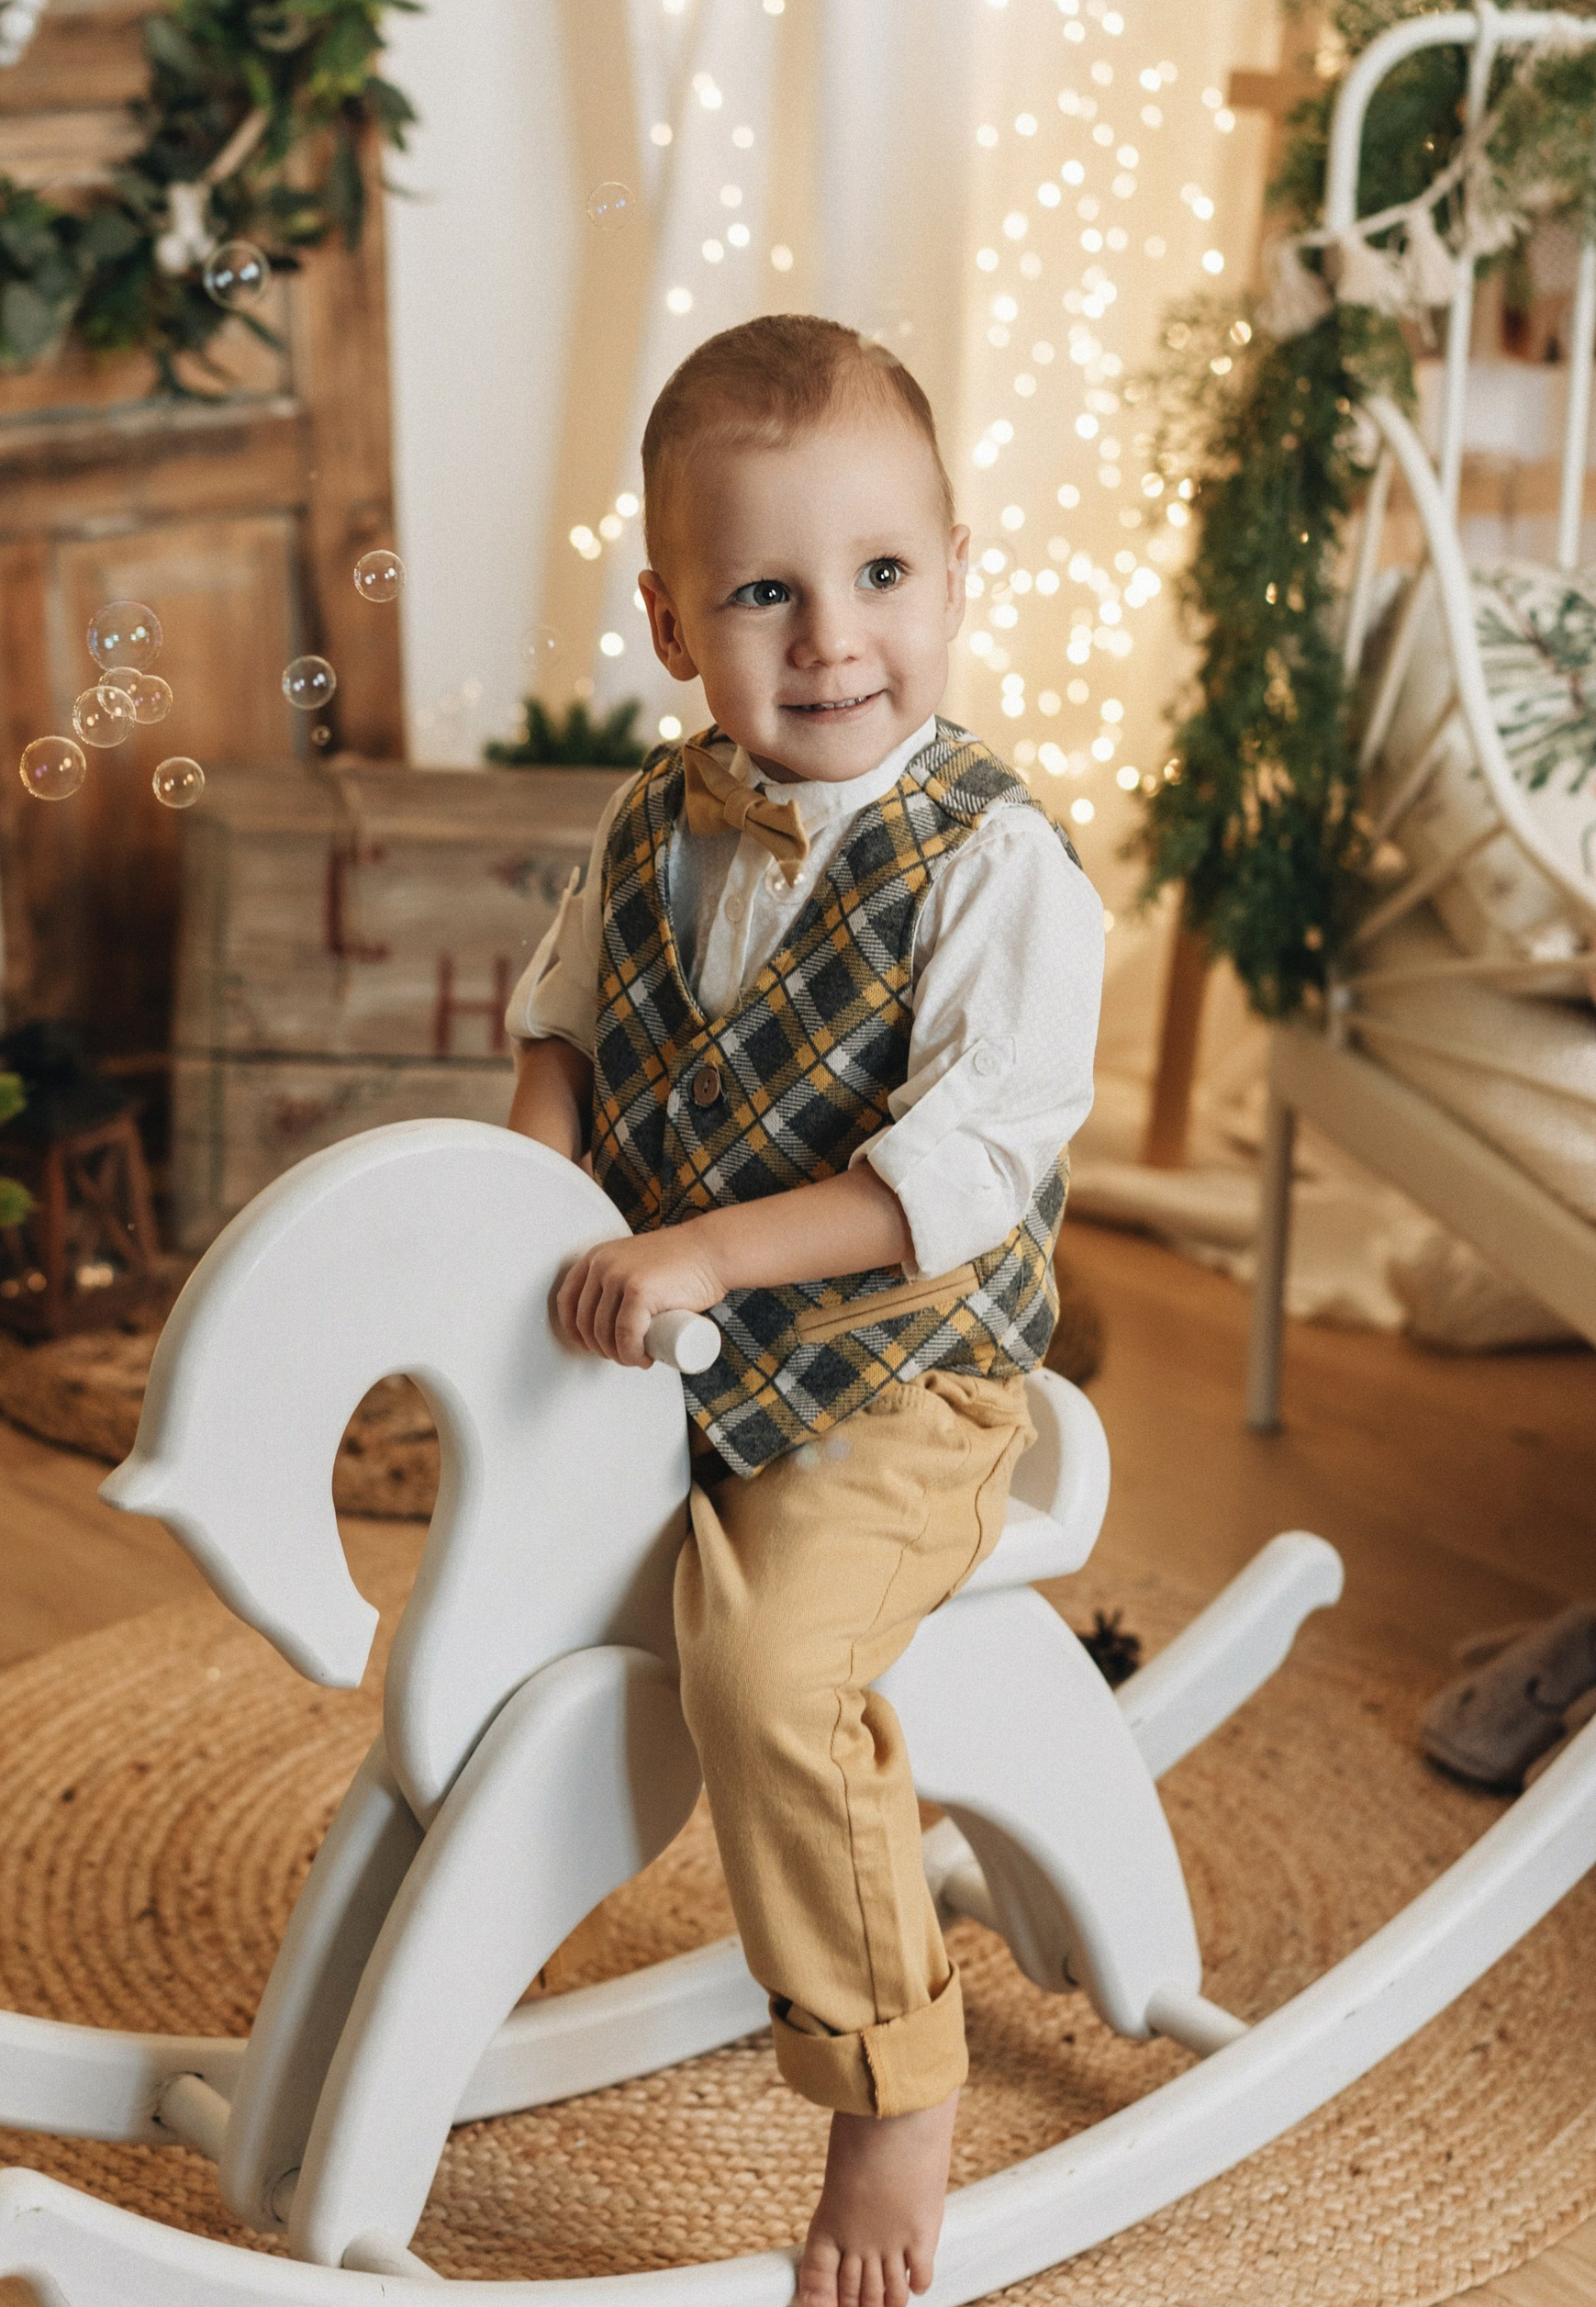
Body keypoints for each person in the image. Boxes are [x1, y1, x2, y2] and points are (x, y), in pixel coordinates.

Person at [504, 313, 1103, 2307]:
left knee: (763, 1674)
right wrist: (531, 1203)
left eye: (880, 574)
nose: (833, 639)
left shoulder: (995, 866)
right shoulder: (652, 821)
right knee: (502, 1580)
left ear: (956, 575)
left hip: (894, 1375)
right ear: (673, 622)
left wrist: (697, 1254)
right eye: (765, 592)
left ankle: (890, 2079)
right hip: (676, 1353)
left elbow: (951, 1177)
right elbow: (564, 1030)